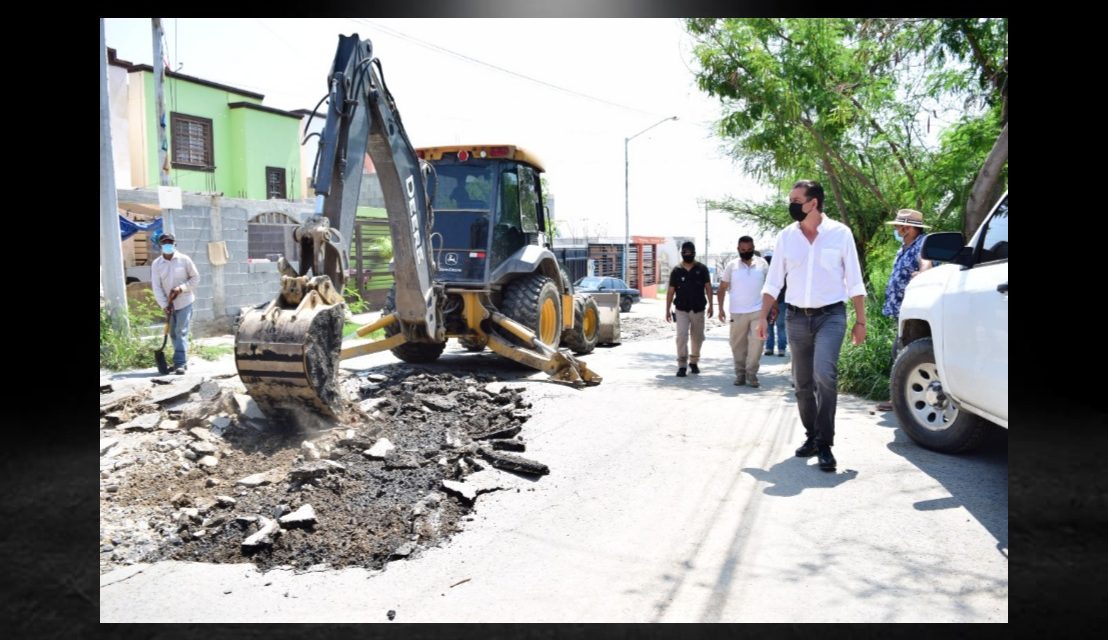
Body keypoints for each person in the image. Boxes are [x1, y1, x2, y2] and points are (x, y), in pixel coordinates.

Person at [757, 180, 867, 472]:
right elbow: (773, 281)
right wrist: (762, 317)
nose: (791, 204)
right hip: (795, 318)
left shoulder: (840, 234)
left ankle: (826, 444)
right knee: (803, 384)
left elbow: (854, 280)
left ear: (813, 203)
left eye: (795, 199)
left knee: (824, 375)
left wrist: (861, 320)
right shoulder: (786, 237)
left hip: (831, 316)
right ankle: (812, 436)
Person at [875, 209, 931, 412]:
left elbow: (927, 263)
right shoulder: (904, 247)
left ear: (909, 228)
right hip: (901, 311)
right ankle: (901, 399)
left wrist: (923, 275)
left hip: (916, 312)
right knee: (900, 351)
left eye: (900, 227)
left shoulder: (923, 244)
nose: (897, 230)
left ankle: (901, 401)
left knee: (905, 354)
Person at [717, 236, 769, 387]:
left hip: (758, 311)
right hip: (737, 312)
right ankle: (740, 374)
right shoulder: (732, 266)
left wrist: (774, 306)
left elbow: (769, 287)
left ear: (753, 248)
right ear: (738, 249)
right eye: (743, 250)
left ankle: (751, 373)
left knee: (757, 343)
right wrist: (720, 308)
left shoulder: (763, 264)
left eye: (749, 250)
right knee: (737, 344)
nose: (746, 252)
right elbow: (722, 288)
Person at [151, 232, 200, 375]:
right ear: (160, 245)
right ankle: (181, 358)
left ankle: (180, 363)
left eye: (169, 242)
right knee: (172, 333)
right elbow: (157, 286)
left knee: (181, 331)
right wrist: (165, 305)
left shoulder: (184, 260)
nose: (167, 245)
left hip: (185, 301)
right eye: (164, 243)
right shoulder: (156, 264)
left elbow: (195, 278)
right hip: (169, 304)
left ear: (174, 244)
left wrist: (181, 288)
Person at [665, 241, 713, 377]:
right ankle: (682, 365)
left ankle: (694, 361)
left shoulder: (702, 269)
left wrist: (711, 305)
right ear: (682, 253)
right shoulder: (676, 271)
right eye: (685, 252)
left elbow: (708, 288)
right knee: (681, 337)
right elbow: (670, 292)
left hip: (698, 309)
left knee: (698, 338)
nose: (687, 254)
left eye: (690, 252)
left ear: (694, 253)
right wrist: (667, 310)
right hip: (681, 309)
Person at [762, 251, 788, 357]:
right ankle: (777, 348)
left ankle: (772, 348)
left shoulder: (773, 274)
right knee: (776, 326)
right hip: (777, 303)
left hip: (776, 303)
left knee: (773, 326)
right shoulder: (782, 273)